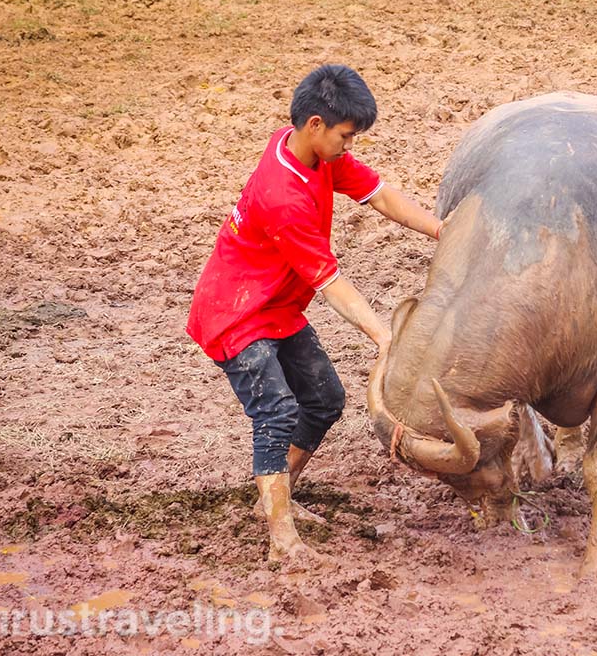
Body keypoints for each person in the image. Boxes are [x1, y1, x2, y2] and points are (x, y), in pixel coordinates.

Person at [186, 64, 441, 565]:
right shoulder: (282, 195)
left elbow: (381, 195)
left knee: (324, 400)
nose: (351, 145)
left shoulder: (316, 154)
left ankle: (276, 499)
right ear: (317, 124)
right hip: (236, 315)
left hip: (276, 305)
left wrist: (441, 231)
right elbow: (329, 282)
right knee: (277, 413)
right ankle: (283, 539)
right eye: (348, 135)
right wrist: (384, 337)